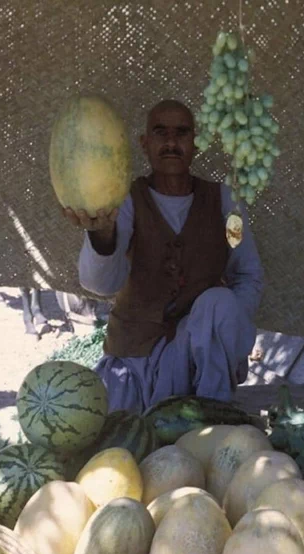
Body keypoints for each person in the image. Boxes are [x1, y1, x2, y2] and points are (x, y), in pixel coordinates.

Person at [63, 99, 264, 413]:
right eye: (161, 133)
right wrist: (101, 236)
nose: (171, 143)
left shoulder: (227, 204)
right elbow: (100, 284)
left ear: (195, 143)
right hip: (133, 358)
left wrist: (227, 334)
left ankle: (210, 411)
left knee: (220, 302)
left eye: (182, 133)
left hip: (194, 358)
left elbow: (247, 273)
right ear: (145, 143)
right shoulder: (125, 201)